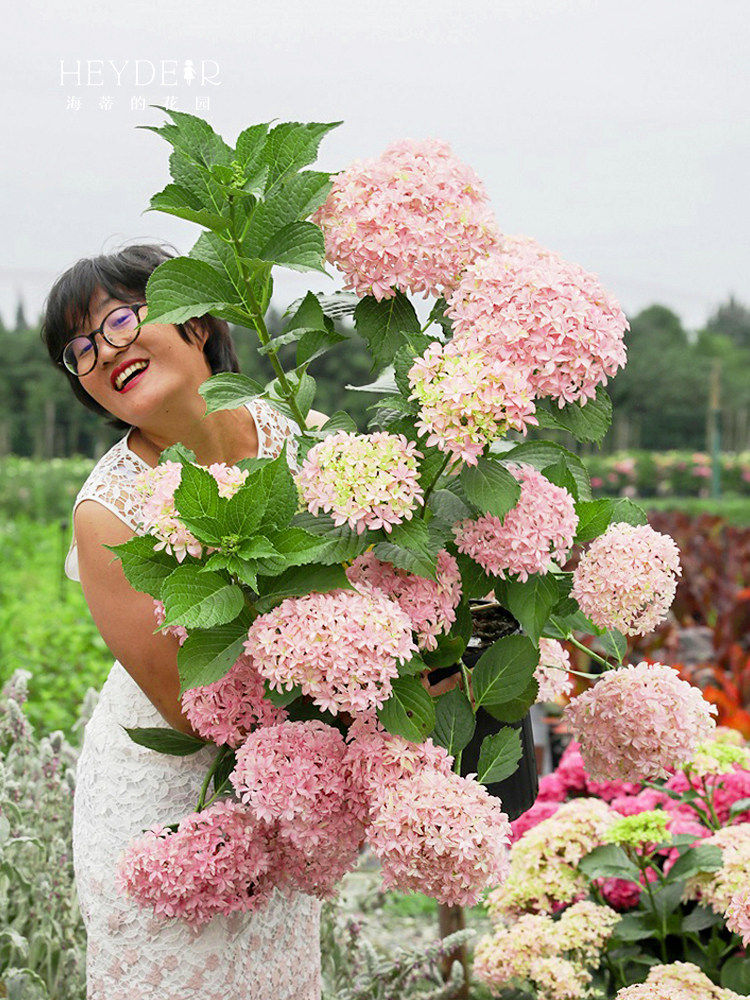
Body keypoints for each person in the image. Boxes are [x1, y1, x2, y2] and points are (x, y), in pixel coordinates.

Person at [41, 243, 327, 1000]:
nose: (104, 352)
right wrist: (344, 677)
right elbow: (194, 708)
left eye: (118, 320)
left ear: (196, 321)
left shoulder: (297, 431)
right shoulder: (108, 512)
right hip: (169, 805)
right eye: (79, 351)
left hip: (284, 784)